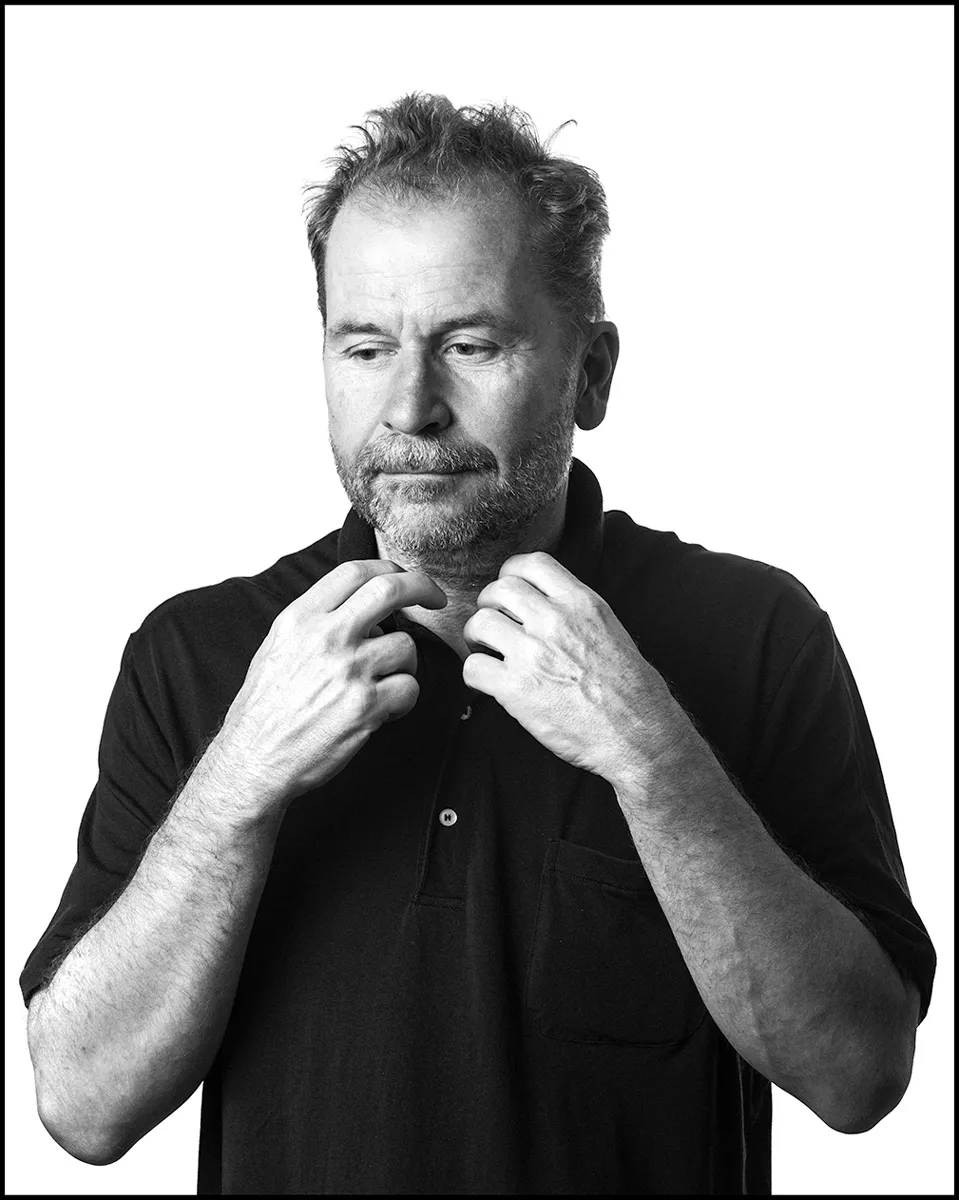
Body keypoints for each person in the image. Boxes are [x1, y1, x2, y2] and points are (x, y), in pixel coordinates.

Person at [22, 92, 935, 1196]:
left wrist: (653, 758)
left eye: (470, 344)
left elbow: (856, 1074)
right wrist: (239, 781)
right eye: (365, 346)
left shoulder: (754, 635)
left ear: (590, 373)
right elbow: (83, 1106)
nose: (409, 407)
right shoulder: (197, 653)